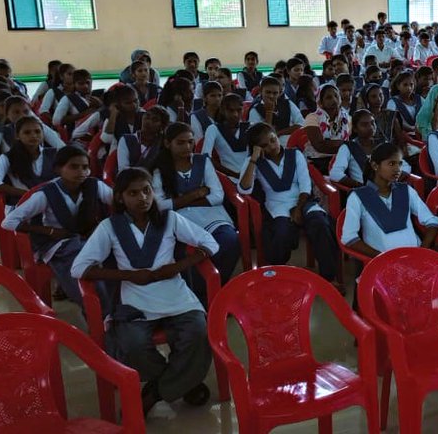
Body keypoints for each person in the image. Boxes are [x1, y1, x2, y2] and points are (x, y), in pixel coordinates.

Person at [71, 167, 216, 414]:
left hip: (174, 293)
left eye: (147, 191)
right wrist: (129, 275)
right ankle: (182, 383)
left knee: (198, 331)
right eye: (133, 193)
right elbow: (79, 268)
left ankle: (154, 393)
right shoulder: (109, 226)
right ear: (120, 197)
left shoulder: (169, 218)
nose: (142, 198)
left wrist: (177, 267)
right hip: (135, 298)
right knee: (131, 343)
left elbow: (210, 243)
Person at [342, 143, 438, 331]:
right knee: (407, 295)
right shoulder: (358, 196)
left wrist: (423, 249)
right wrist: (380, 256)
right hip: (383, 265)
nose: (398, 169)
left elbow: (431, 221)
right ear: (375, 166)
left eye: (400, 164)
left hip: (415, 260)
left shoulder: (406, 191)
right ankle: (407, 338)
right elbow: (349, 238)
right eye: (391, 164)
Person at [1, 146, 112, 309]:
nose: (81, 172)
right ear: (59, 169)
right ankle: (96, 308)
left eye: (85, 167)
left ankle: (109, 303)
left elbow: (118, 203)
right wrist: (49, 231)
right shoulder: (46, 194)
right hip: (58, 245)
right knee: (83, 265)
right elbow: (8, 222)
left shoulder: (94, 186)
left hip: (86, 238)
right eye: (74, 167)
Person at [239, 122, 342, 287]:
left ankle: (329, 277)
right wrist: (253, 159)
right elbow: (244, 189)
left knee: (320, 223)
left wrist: (299, 209)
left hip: (302, 199)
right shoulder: (254, 162)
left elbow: (305, 185)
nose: (272, 146)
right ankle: (279, 273)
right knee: (281, 231)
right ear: (257, 148)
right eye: (264, 145)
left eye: (273, 140)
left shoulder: (295, 155)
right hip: (276, 205)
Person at [151, 123, 241, 291]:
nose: (187, 147)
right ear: (167, 143)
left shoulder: (202, 161)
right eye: (180, 142)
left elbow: (217, 196)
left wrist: (179, 201)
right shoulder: (160, 170)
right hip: (181, 221)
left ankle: (218, 287)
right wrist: (196, 194)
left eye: (190, 142)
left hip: (212, 216)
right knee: (186, 251)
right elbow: (160, 205)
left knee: (230, 241)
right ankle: (201, 293)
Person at [0, 116, 59, 205]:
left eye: (37, 131)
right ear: (17, 135)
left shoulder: (53, 154)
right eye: (27, 132)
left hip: (52, 203)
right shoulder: (8, 157)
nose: (33, 135)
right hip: (24, 204)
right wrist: (26, 194)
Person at [247, 77, 304, 145]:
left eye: (275, 93)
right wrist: (269, 112)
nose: (271, 96)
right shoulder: (255, 110)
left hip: (292, 144)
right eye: (268, 92)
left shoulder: (288, 104)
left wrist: (279, 133)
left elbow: (301, 125)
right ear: (260, 92)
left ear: (279, 93)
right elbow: (263, 137)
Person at [53, 69, 100, 135]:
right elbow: (56, 121)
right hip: (77, 139)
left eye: (88, 82)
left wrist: (100, 106)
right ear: (74, 84)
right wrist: (83, 114)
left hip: (99, 137)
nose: (85, 86)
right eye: (81, 83)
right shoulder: (68, 98)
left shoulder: (100, 95)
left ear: (91, 82)